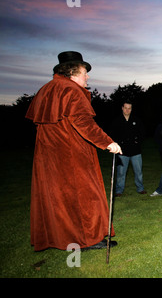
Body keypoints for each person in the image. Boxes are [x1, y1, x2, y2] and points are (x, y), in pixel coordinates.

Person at [25, 51, 122, 251]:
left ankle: (67, 239)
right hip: (71, 155)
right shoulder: (70, 90)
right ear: (72, 72)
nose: (87, 76)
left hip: (48, 158)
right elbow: (82, 122)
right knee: (86, 197)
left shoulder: (46, 89)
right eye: (84, 72)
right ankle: (88, 239)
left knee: (60, 200)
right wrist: (107, 142)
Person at [109, 101, 146, 196]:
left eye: (129, 108)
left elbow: (142, 133)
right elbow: (112, 135)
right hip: (122, 152)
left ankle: (140, 188)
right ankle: (119, 190)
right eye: (125, 108)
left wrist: (138, 141)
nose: (127, 110)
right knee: (121, 172)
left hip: (135, 151)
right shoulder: (117, 121)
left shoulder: (136, 120)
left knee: (138, 171)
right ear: (122, 108)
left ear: (131, 109)